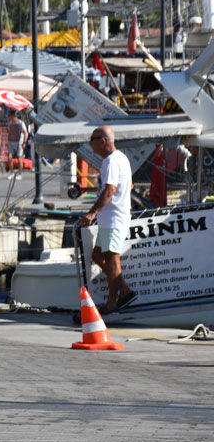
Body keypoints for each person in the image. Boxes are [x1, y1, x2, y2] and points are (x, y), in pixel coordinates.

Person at [77, 126, 137, 313]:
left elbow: (110, 189)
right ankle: (124, 290)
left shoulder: (110, 161)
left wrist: (91, 213)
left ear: (102, 141)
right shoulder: (122, 158)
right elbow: (130, 185)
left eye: (92, 139)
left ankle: (113, 302)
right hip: (112, 217)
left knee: (112, 260)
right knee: (97, 256)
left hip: (113, 218)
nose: (90, 143)